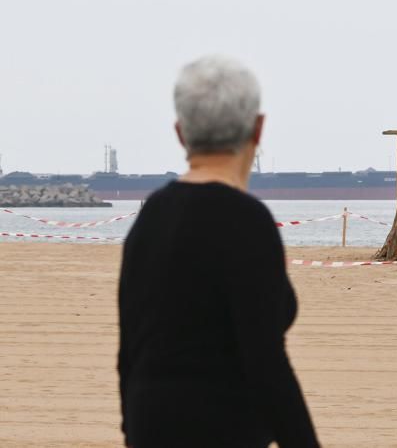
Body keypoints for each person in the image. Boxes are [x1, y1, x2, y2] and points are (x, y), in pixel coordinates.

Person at [118, 56, 319, 447]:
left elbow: (130, 354)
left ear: (180, 133)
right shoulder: (248, 222)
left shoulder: (151, 217)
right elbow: (267, 365)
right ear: (258, 128)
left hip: (149, 429)